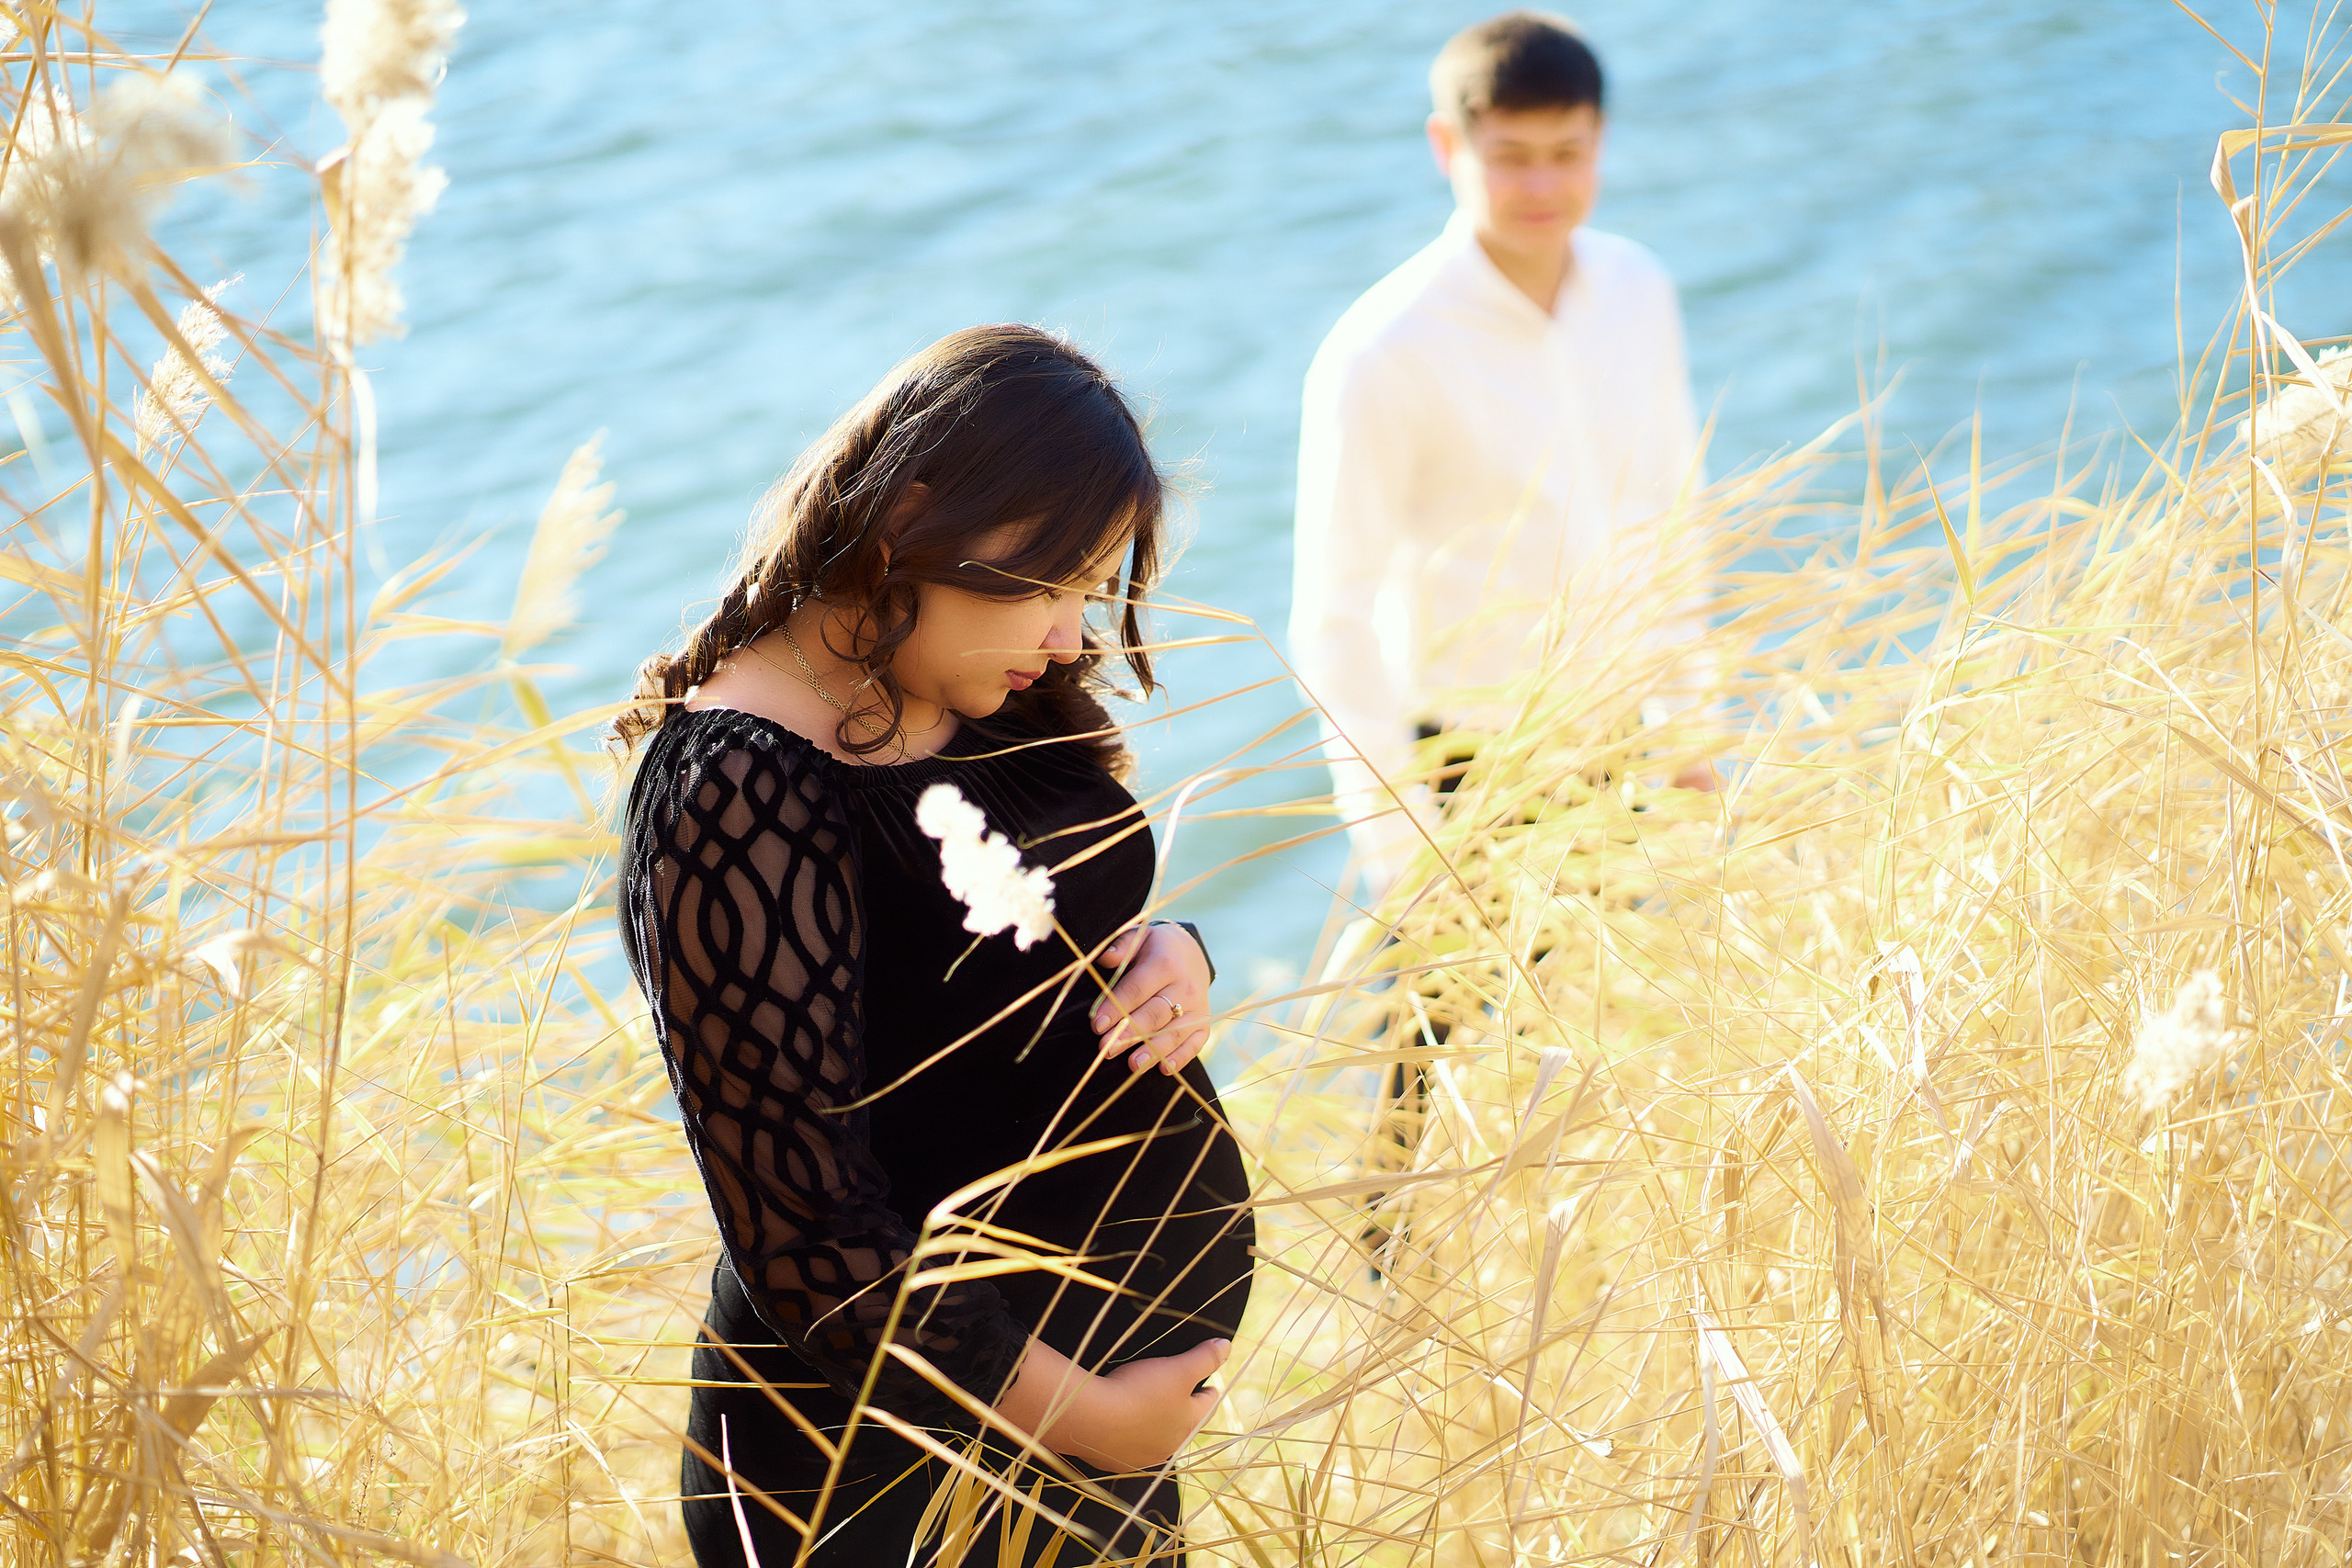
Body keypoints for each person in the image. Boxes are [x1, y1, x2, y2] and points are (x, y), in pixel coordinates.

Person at [616, 325, 1254, 1566]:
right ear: (916, 515)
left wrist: (1173, 953)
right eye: (1052, 584)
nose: (1072, 637)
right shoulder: (734, 791)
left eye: (1091, 588)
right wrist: (1095, 1415)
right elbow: (815, 1244)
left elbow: (1021, 943)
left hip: (1066, 1437)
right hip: (876, 1472)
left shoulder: (965, 679)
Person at [1290, 10, 1712, 898]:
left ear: (1602, 139)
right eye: (1513, 154)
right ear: (1448, 145)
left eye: (1569, 151)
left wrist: (1693, 734)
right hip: (1465, 770)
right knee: (1441, 1039)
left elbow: (1673, 520)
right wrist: (1402, 849)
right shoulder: (1379, 349)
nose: (1543, 183)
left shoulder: (1639, 291)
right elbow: (1333, 618)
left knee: (1627, 1029)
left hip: (1620, 738)